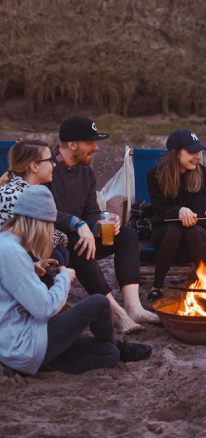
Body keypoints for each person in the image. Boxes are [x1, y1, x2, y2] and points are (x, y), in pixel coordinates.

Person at [0, 185, 151, 376]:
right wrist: (64, 277)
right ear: (38, 222)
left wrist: (32, 268)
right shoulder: (11, 251)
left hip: (20, 346)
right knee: (99, 302)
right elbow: (44, 308)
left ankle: (114, 348)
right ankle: (116, 344)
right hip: (24, 343)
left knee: (108, 355)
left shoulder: (6, 243)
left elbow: (10, 281)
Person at [49, 116, 159, 334]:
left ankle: (133, 307)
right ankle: (116, 313)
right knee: (77, 244)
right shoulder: (46, 168)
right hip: (53, 241)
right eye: (90, 143)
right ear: (72, 144)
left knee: (127, 235)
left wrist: (101, 221)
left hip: (83, 235)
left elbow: (90, 210)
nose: (96, 148)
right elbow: (44, 211)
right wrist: (79, 224)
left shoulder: (86, 172)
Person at [146, 128, 206, 300]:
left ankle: (158, 286)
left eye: (199, 151)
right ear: (175, 153)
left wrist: (188, 214)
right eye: (192, 151)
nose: (198, 156)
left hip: (195, 236)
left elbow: (199, 209)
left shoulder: (205, 175)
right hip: (164, 235)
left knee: (189, 228)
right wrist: (179, 211)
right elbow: (160, 210)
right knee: (175, 227)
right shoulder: (155, 175)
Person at [0, 140, 68, 266]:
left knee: (60, 252)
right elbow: (32, 240)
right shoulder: (13, 195)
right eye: (50, 160)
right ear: (34, 166)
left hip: (19, 257)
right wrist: (61, 237)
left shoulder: (27, 191)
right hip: (10, 263)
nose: (54, 165)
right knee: (56, 255)